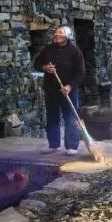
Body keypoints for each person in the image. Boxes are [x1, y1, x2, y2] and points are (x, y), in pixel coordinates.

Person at [33, 25, 86, 154]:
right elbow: (37, 63)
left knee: (70, 117)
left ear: (67, 36)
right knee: (52, 117)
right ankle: (53, 144)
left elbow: (80, 72)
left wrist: (69, 86)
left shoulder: (75, 51)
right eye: (56, 33)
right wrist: (45, 67)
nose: (56, 35)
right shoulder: (48, 49)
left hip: (68, 90)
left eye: (60, 33)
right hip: (51, 89)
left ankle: (72, 146)